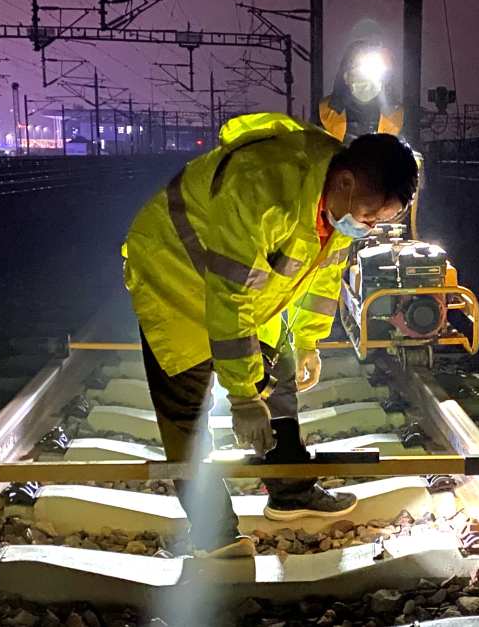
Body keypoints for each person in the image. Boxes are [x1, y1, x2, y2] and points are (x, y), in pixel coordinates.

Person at [121, 112, 418, 557]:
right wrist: (242, 396)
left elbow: (323, 276)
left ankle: (290, 490)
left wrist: (307, 343)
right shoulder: (261, 189)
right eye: (369, 215)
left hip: (250, 285)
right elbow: (227, 298)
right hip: (174, 273)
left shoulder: (339, 205)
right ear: (345, 182)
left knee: (275, 380)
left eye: (380, 220)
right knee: (186, 413)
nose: (369, 226)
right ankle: (214, 537)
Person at [320, 40, 404, 143]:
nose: (365, 78)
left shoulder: (398, 117)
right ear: (346, 76)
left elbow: (412, 156)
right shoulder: (325, 113)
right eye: (358, 68)